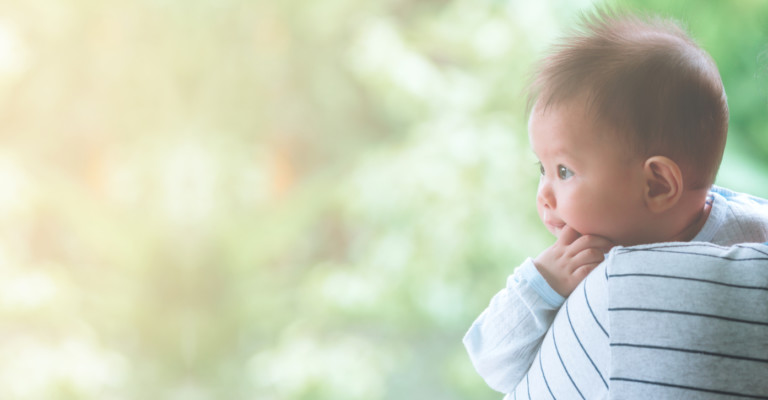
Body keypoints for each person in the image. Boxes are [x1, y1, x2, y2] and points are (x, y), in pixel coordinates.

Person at [462, 9, 768, 399]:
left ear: (657, 184)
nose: (544, 193)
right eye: (543, 168)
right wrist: (543, 286)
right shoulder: (574, 263)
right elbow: (492, 363)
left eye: (565, 171)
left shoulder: (751, 232)